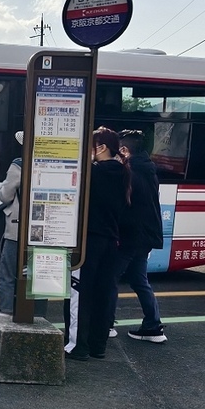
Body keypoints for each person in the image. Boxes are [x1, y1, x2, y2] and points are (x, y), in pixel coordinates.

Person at [65, 126, 131, 361]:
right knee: (102, 293)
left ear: (101, 148)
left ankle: (77, 346)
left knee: (79, 294)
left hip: (89, 240)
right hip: (111, 241)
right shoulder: (123, 172)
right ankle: (97, 345)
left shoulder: (94, 173)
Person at [116, 129, 167, 343]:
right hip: (145, 235)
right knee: (139, 279)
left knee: (110, 278)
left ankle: (105, 324)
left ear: (125, 151)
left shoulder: (129, 172)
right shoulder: (148, 169)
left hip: (131, 235)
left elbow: (125, 207)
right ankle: (153, 326)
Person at [0, 131, 24, 317]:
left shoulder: (19, 164)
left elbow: (5, 195)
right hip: (45, 231)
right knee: (35, 276)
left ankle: (5, 312)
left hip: (17, 227)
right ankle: (35, 313)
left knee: (7, 273)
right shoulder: (54, 162)